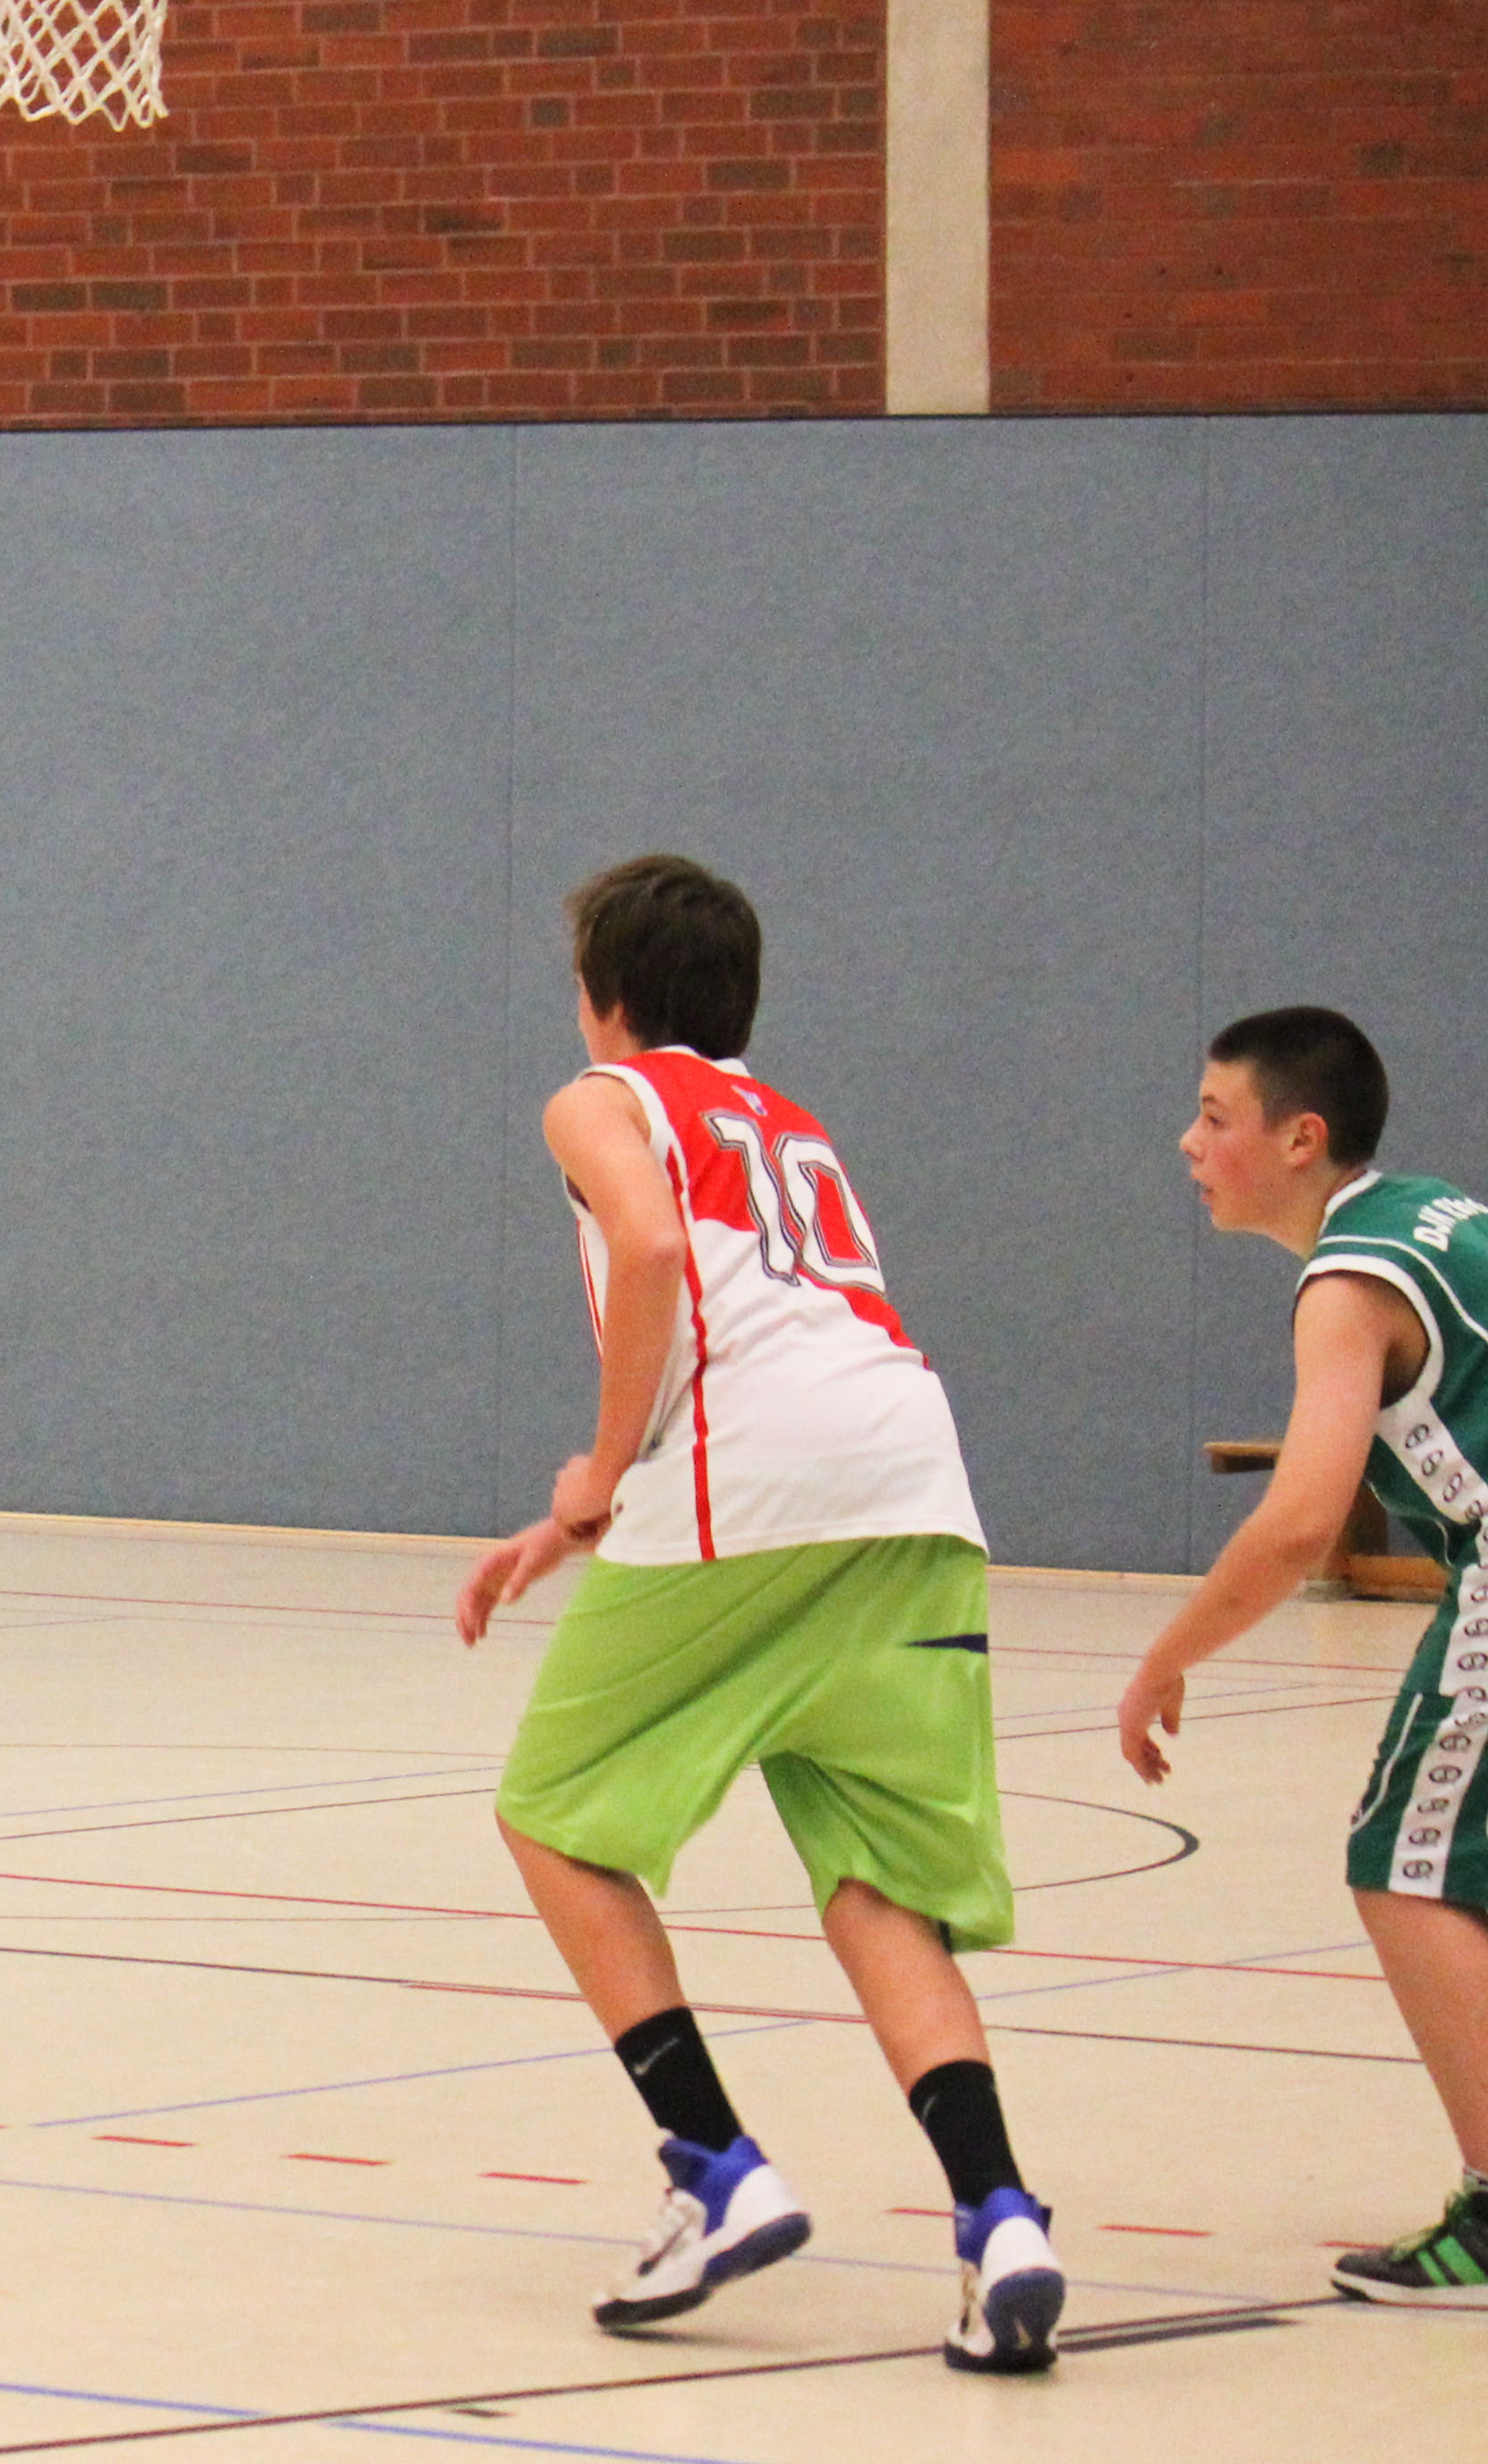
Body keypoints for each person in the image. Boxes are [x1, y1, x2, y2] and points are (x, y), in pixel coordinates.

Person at [454, 855, 1067, 2374]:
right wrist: (579, 1517)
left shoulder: (599, 1099)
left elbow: (656, 1253)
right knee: (880, 1883)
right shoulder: (787, 1122)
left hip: (753, 1486)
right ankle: (999, 2217)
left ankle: (714, 2166)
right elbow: (766, 1324)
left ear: (603, 994)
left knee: (552, 1818)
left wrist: (603, 1467)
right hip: (912, 1485)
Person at [1118, 1007, 1488, 2307]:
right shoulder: (1435, 1214)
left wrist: (1163, 1658)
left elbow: (1301, 1520)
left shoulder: (1348, 1282)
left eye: (1214, 1116)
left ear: (1299, 1138)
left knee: (1406, 1864)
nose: (1188, 1142)